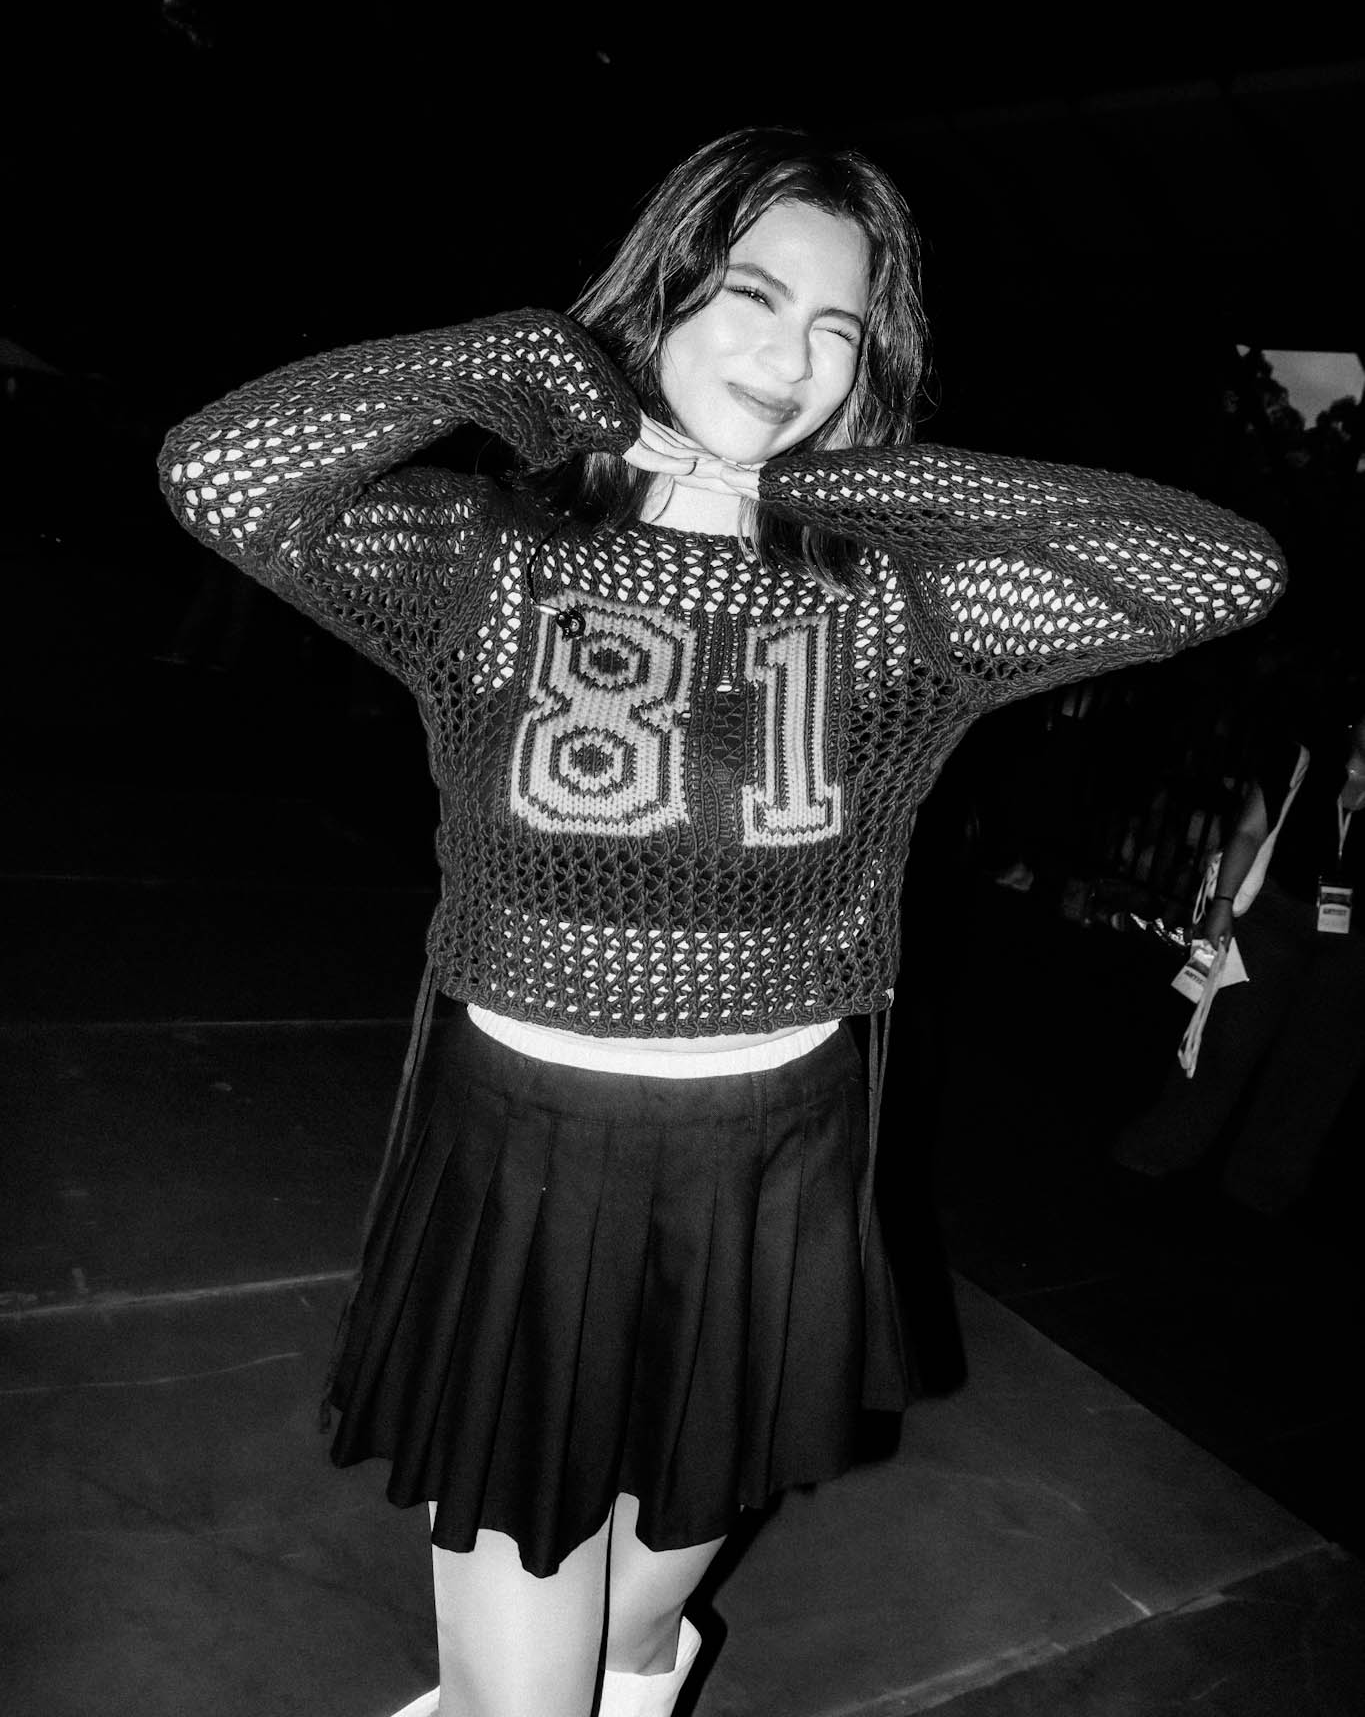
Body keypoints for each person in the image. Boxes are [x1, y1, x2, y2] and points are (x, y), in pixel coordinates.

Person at [158, 127, 1285, 1717]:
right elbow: (224, 470)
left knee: (635, 1635)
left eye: (840, 329)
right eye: (753, 295)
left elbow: (1217, 570)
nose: (792, 356)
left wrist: (836, 480)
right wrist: (520, 364)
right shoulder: (492, 557)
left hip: (775, 1165)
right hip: (530, 1149)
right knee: (525, 1690)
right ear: (663, 292)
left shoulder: (891, 603)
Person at [1113, 701, 1365, 1214]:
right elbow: (1249, 830)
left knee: (1318, 1066)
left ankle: (1264, 1184)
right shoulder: (1307, 755)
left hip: (1355, 944)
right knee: (1227, 1039)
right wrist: (1222, 904)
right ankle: (1161, 1146)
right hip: (1277, 916)